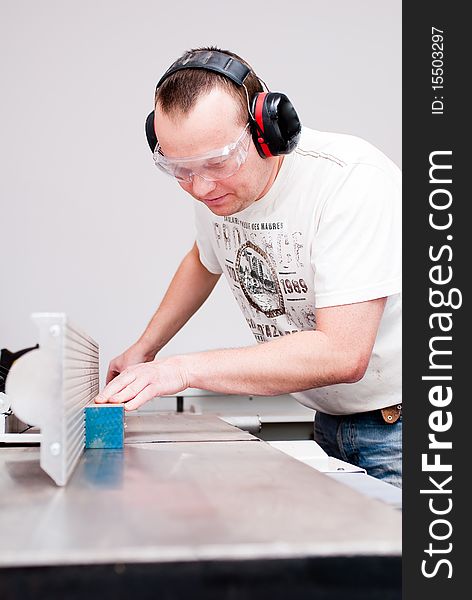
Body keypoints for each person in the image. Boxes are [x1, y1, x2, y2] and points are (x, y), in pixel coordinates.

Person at [95, 47, 402, 488]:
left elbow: (343, 352)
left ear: (267, 131)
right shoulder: (220, 193)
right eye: (180, 170)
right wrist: (146, 347)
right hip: (330, 420)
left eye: (217, 163)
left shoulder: (349, 182)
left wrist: (180, 370)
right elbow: (204, 260)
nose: (200, 187)